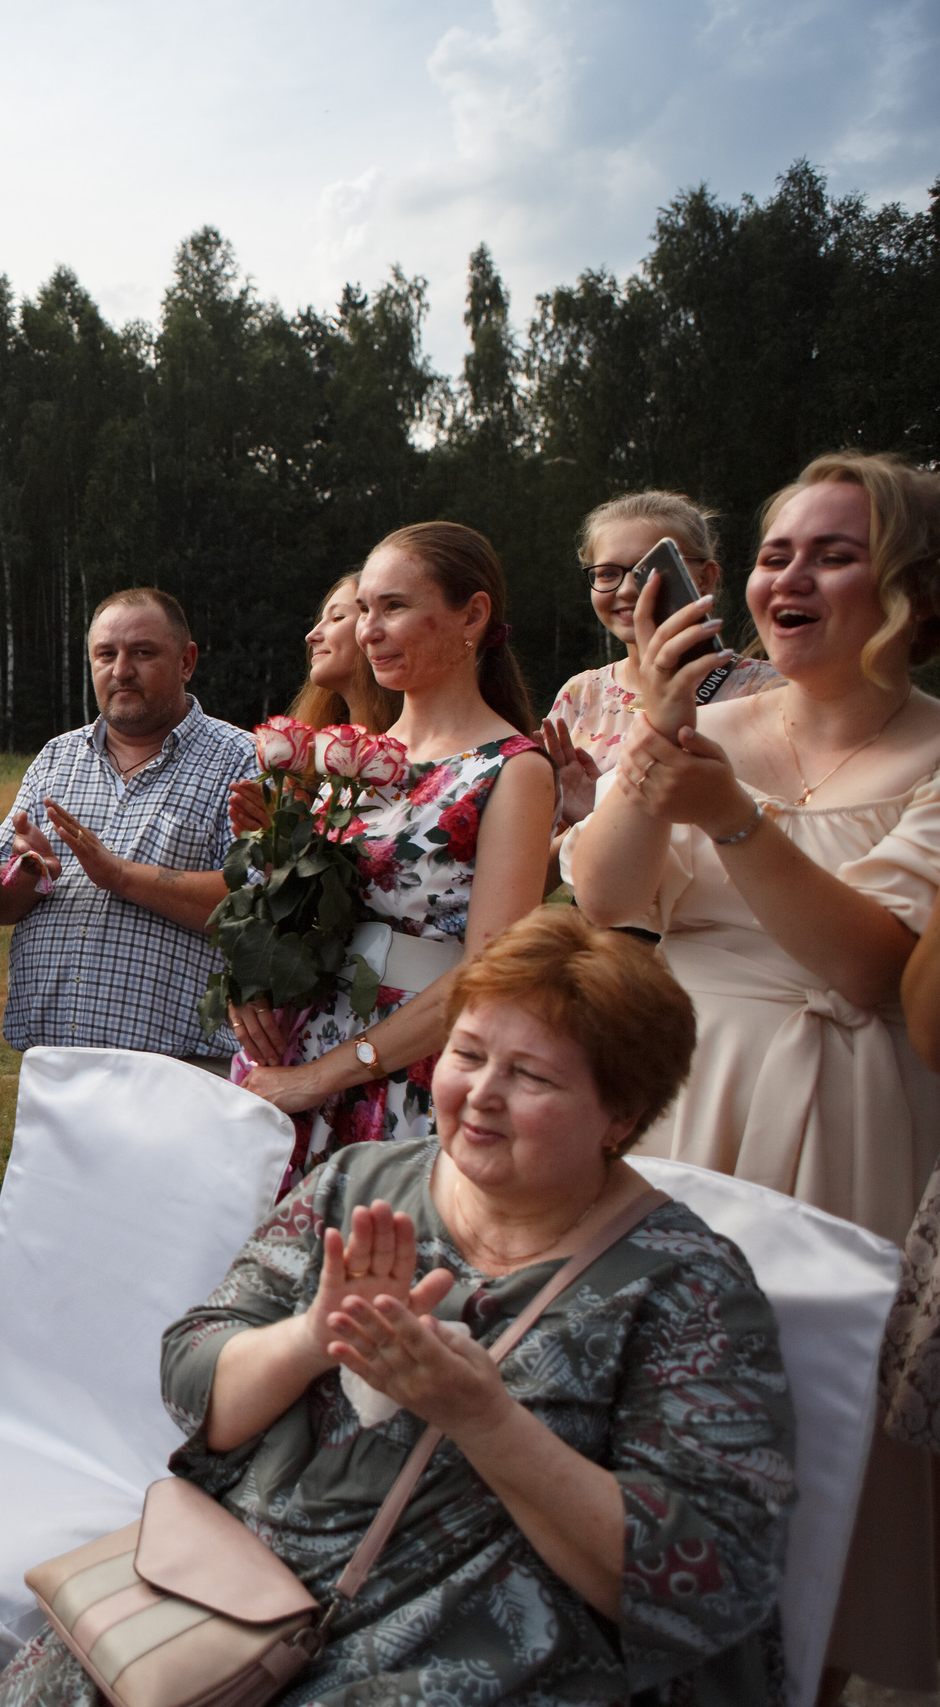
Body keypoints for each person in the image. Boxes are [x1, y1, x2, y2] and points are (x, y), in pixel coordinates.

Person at [0, 907, 795, 1706]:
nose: (481, 1094)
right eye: (468, 1054)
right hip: (240, 1603)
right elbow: (192, 1383)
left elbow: (709, 1577)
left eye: (533, 1076)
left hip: (478, 1656)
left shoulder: (683, 1286)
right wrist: (310, 1336)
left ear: (621, 1115)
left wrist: (485, 1418)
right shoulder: (358, 1183)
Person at [569, 450, 940, 1692]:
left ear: (906, 590)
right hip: (680, 1094)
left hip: (846, 1107)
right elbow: (608, 897)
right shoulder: (705, 727)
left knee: (817, 1432)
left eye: (833, 552)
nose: (791, 574)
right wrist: (660, 737)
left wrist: (732, 817)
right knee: (653, 1414)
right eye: (777, 550)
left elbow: (868, 968)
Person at [231, 523, 556, 1178]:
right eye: (365, 609)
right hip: (304, 1050)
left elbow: (488, 975)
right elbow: (310, 903)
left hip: (410, 1074)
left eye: (394, 607)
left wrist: (325, 1077)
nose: (367, 631)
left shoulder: (512, 770)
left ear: (473, 614)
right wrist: (253, 973)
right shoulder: (358, 755)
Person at [0, 588, 257, 1071]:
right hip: (50, 1065)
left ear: (187, 661)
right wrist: (26, 874)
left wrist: (119, 875)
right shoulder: (56, 759)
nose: (121, 670)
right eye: (106, 654)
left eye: (143, 653)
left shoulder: (242, 761)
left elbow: (253, 909)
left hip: (177, 1073)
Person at [543, 491, 779, 840]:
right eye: (607, 573)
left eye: (646, 571)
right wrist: (596, 816)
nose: (625, 590)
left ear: (705, 578)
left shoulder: (767, 690)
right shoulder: (580, 695)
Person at [224, 571, 401, 836]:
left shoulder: (409, 760)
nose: (311, 636)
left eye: (337, 618)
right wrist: (280, 839)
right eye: (320, 621)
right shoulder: (312, 771)